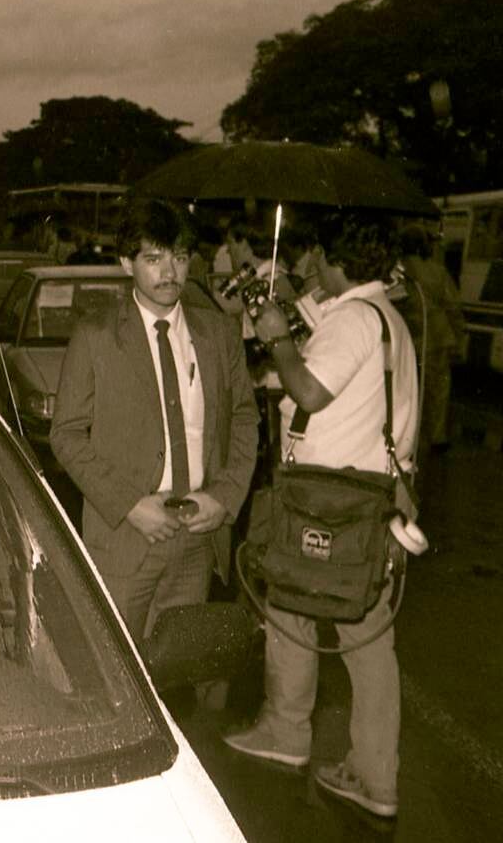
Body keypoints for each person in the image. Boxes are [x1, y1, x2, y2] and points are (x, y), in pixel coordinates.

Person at [224, 211, 418, 820]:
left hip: (331, 498)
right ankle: (372, 773)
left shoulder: (355, 320)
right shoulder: (385, 317)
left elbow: (309, 392)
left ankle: (289, 734)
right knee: (359, 630)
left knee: (293, 606)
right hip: (374, 491)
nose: (311, 267)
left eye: (316, 258)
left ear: (336, 260)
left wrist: (279, 336)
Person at [49, 199, 258, 640]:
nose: (169, 273)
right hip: (127, 535)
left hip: (198, 535)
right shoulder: (97, 335)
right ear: (127, 262)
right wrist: (129, 504)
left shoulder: (218, 333)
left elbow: (243, 419)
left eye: (179, 258)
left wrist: (224, 496)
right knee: (119, 670)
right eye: (154, 258)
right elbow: (66, 435)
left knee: (176, 672)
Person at [398, 224, 465, 454]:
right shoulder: (438, 271)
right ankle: (437, 437)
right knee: (438, 389)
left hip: (407, 337)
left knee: (407, 389)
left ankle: (408, 437)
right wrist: (458, 335)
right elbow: (453, 306)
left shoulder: (398, 272)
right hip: (436, 337)